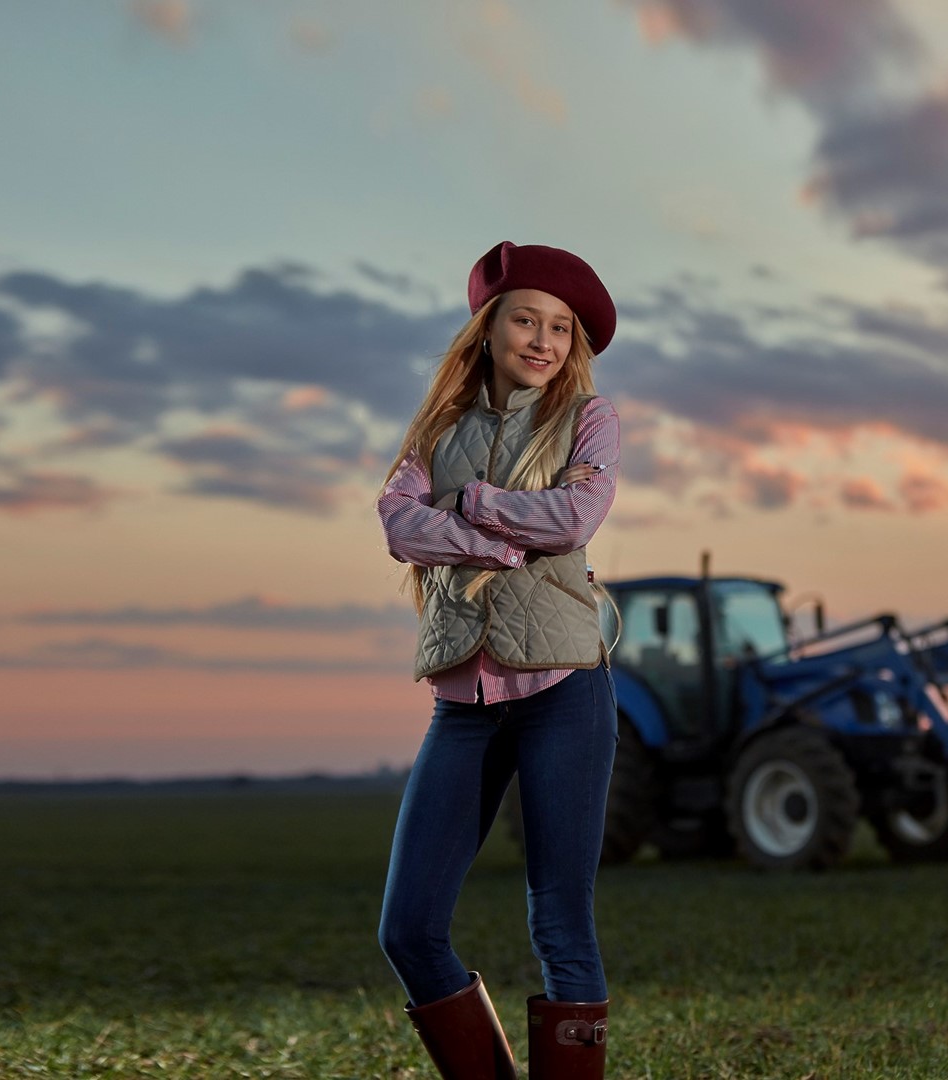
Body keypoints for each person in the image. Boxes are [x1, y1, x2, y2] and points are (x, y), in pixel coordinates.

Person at [373, 241, 622, 1080]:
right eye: (526, 319)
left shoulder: (589, 419)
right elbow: (398, 524)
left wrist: (473, 505)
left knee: (560, 922)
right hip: (464, 703)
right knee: (406, 928)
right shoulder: (436, 429)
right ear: (489, 328)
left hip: (565, 692)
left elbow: (574, 519)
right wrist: (504, 536)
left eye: (560, 327)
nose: (543, 339)